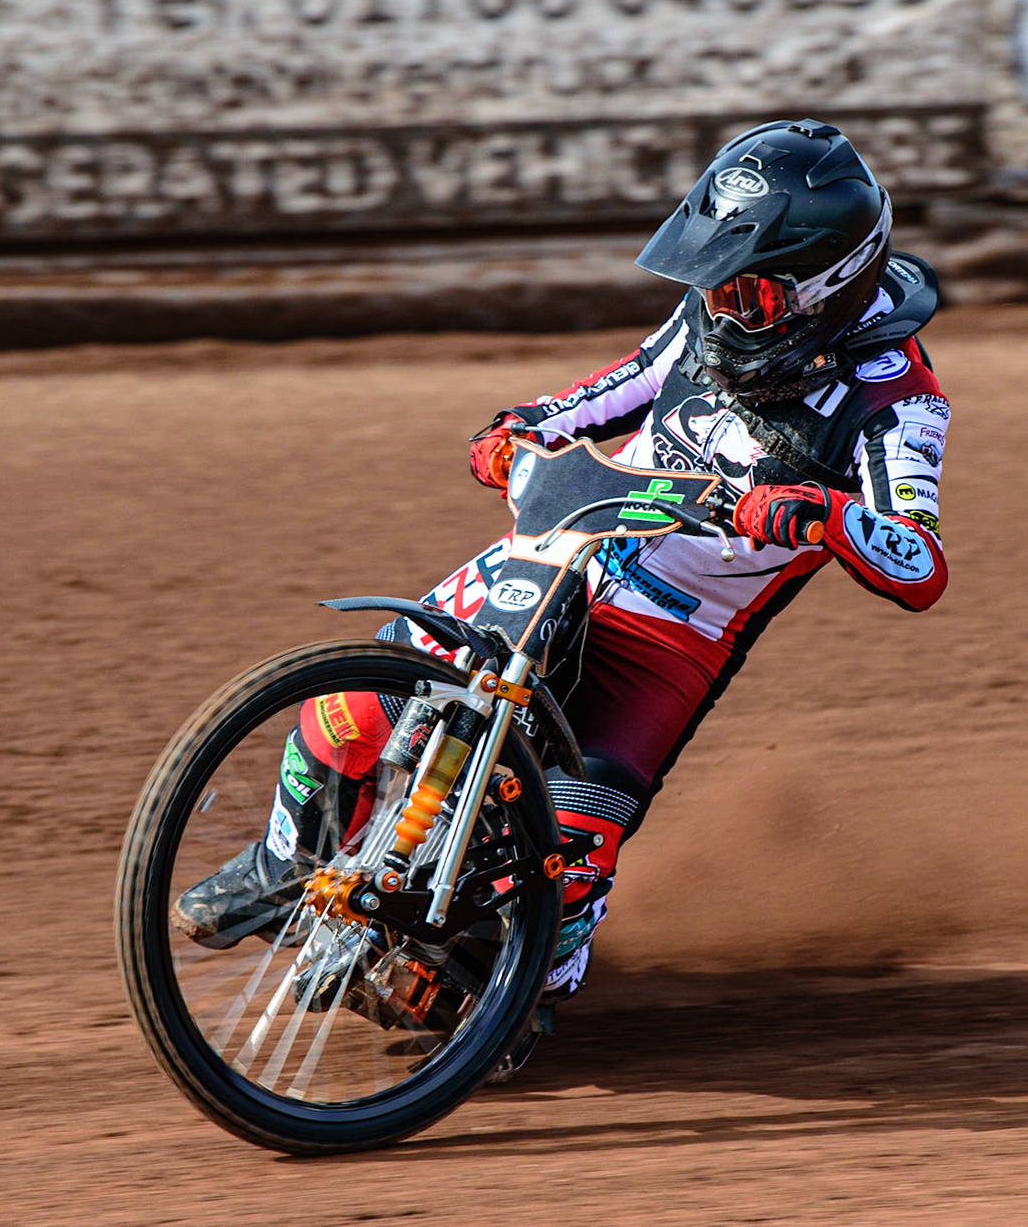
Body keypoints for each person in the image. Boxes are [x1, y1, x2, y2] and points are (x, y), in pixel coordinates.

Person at [176, 119, 951, 1020]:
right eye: (713, 280)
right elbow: (615, 388)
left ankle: (519, 981)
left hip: (670, 640)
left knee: (568, 862)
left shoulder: (900, 401)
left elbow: (920, 561)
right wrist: (518, 429)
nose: (720, 304)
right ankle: (281, 864)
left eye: (746, 290)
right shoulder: (707, 319)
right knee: (348, 708)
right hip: (566, 551)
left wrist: (825, 514)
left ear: (824, 285)